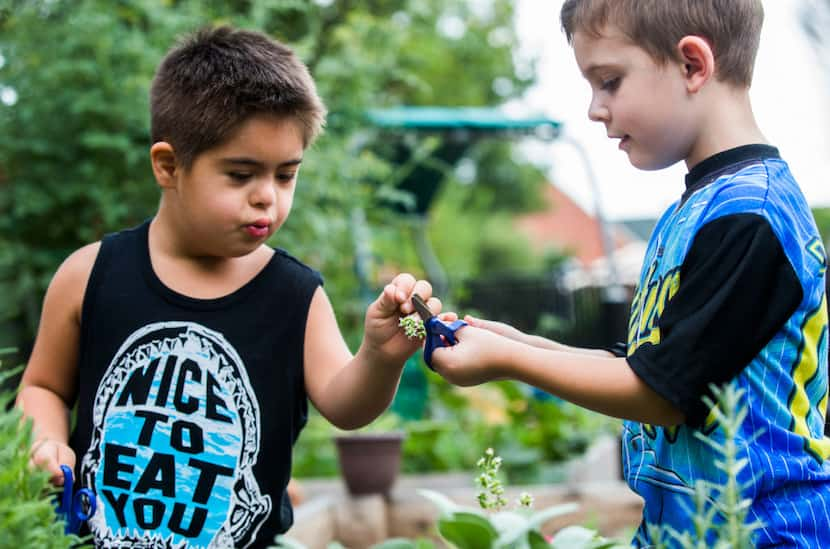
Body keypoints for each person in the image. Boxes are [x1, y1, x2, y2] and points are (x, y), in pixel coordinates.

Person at [16, 26, 439, 548]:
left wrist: (380, 357)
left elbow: (345, 405)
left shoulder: (295, 295)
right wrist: (47, 440)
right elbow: (44, 387)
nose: (267, 198)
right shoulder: (90, 275)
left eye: (286, 175)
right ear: (169, 166)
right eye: (241, 175)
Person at [430, 1, 830, 546]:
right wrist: (524, 343)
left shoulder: (751, 217)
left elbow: (662, 392)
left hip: (761, 531)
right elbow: (653, 367)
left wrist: (509, 361)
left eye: (609, 81)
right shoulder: (695, 211)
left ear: (692, 64)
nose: (595, 109)